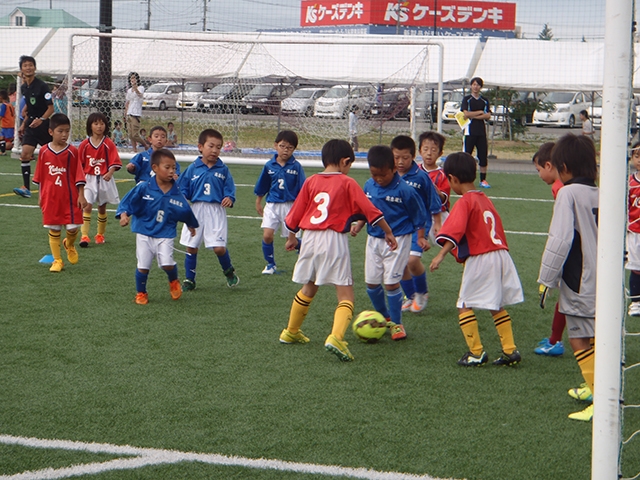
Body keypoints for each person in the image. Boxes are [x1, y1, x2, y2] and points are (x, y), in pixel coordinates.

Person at [278, 139, 397, 362]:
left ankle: (291, 331)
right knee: (346, 293)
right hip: (333, 238)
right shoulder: (347, 182)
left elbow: (294, 215)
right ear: (344, 162)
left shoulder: (312, 181)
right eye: (349, 164)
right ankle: (336, 337)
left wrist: (292, 238)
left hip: (309, 238)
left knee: (309, 286)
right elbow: (370, 210)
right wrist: (388, 231)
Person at [430, 152, 523, 367]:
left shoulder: (465, 202)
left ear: (452, 179)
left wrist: (440, 255)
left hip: (482, 257)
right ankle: (510, 350)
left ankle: (476, 352)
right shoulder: (484, 199)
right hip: (501, 254)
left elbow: (454, 232)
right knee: (496, 303)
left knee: (464, 303)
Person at [537, 133, 598, 422]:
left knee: (578, 338)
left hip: (579, 279)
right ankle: (595, 387)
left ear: (564, 168)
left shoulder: (568, 194)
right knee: (598, 335)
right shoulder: (602, 193)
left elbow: (559, 240)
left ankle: (601, 398)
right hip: (604, 279)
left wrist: (545, 280)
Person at [350, 145, 427, 340]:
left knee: (391, 283)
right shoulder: (368, 185)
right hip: (374, 239)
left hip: (398, 239)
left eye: (382, 175)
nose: (378, 179)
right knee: (371, 284)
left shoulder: (405, 191)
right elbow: (368, 210)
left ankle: (396, 323)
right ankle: (383, 317)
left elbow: (419, 215)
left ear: (393, 169)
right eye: (374, 174)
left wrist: (420, 237)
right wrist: (359, 224)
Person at [116, 149, 199, 305]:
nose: (171, 171)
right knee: (143, 266)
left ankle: (173, 280)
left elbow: (184, 209)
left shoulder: (176, 192)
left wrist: (191, 224)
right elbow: (128, 201)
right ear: (154, 168)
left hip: (165, 233)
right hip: (144, 232)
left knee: (166, 263)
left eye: (173, 168)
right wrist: (124, 214)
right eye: (167, 167)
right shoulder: (144, 187)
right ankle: (141, 292)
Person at [178, 129, 239, 291]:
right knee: (191, 246)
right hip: (196, 210)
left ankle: (228, 271)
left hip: (215, 211)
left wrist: (229, 198)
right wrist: (182, 197)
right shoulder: (193, 168)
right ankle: (189, 279)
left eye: (218, 147)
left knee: (218, 248)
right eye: (210, 146)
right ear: (200, 147)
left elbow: (230, 189)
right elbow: (183, 187)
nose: (214, 150)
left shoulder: (223, 169)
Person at [391, 135, 442, 314]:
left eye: (405, 158)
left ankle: (421, 293)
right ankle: (410, 296)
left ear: (413, 156)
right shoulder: (389, 174)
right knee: (400, 264)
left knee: (412, 260)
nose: (400, 161)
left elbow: (434, 200)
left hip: (419, 224)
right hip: (398, 226)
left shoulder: (421, 177)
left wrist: (437, 223)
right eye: (396, 157)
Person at [31, 113, 87, 273]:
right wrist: (40, 196)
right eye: (60, 131)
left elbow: (79, 175)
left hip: (70, 197)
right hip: (51, 197)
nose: (64, 135)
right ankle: (57, 260)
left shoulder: (72, 152)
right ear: (51, 132)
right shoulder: (43, 151)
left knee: (72, 229)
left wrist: (81, 195)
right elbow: (40, 176)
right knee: (54, 229)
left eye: (67, 131)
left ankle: (69, 244)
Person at [254, 130, 306, 274]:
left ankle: (304, 249)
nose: (285, 150)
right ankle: (270, 264)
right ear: (276, 146)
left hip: (291, 206)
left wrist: (303, 207)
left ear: (294, 149)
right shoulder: (269, 165)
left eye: (289, 148)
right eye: (282, 146)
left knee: (292, 241)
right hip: (272, 204)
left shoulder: (296, 166)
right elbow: (263, 184)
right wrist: (258, 201)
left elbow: (303, 188)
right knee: (267, 235)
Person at [531, 142, 566, 357]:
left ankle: (556, 341)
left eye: (538, 170)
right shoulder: (570, 183)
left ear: (548, 165)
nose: (539, 175)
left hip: (574, 252)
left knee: (569, 299)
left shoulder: (559, 188)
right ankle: (555, 338)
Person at [77, 112, 122, 248]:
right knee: (87, 205)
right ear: (90, 126)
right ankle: (84, 236)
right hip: (88, 179)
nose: (99, 126)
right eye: (96, 123)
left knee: (102, 207)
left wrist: (110, 171)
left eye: (102, 123)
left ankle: (100, 234)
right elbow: (79, 163)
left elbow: (115, 161)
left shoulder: (108, 144)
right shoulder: (84, 144)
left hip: (104, 179)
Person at [14, 55, 54, 199]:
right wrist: (24, 123)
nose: (28, 67)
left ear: (35, 68)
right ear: (21, 69)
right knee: (25, 154)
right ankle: (26, 188)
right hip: (31, 124)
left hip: (44, 125)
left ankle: (54, 183)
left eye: (30, 65)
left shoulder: (42, 86)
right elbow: (29, 107)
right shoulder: (25, 87)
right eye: (25, 65)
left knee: (52, 156)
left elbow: (51, 108)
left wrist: (42, 119)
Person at [418, 131, 450, 244]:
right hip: (419, 213)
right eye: (426, 149)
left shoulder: (442, 175)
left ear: (440, 153)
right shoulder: (414, 171)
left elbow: (443, 199)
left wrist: (434, 191)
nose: (429, 153)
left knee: (449, 242)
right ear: (420, 151)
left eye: (433, 150)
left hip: (439, 214)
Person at [461, 77, 491, 188]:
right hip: (469, 131)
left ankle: (483, 180)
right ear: (471, 86)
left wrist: (475, 115)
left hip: (481, 132)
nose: (475, 87)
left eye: (478, 85)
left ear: (480, 87)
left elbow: (487, 115)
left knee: (483, 156)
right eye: (473, 84)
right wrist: (479, 113)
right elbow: (466, 114)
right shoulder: (467, 99)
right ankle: (464, 178)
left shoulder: (485, 100)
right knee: (466, 156)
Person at [627, 141, 640, 317]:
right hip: (635, 232)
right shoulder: (629, 182)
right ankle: (636, 302)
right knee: (636, 268)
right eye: (637, 156)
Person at [124, 72, 146, 151]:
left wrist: (135, 87)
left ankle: (145, 145)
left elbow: (140, 95)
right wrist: (125, 113)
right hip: (129, 113)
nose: (132, 80)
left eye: (134, 78)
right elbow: (128, 102)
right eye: (131, 78)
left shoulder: (141, 88)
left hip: (136, 113)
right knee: (130, 134)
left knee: (134, 134)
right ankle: (134, 149)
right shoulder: (129, 90)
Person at [0, 89, 16, 155]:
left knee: (9, 139)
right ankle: (3, 151)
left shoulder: (4, 105)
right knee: (1, 137)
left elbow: (1, 115)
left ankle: (15, 146)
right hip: (9, 124)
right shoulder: (10, 105)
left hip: (7, 125)